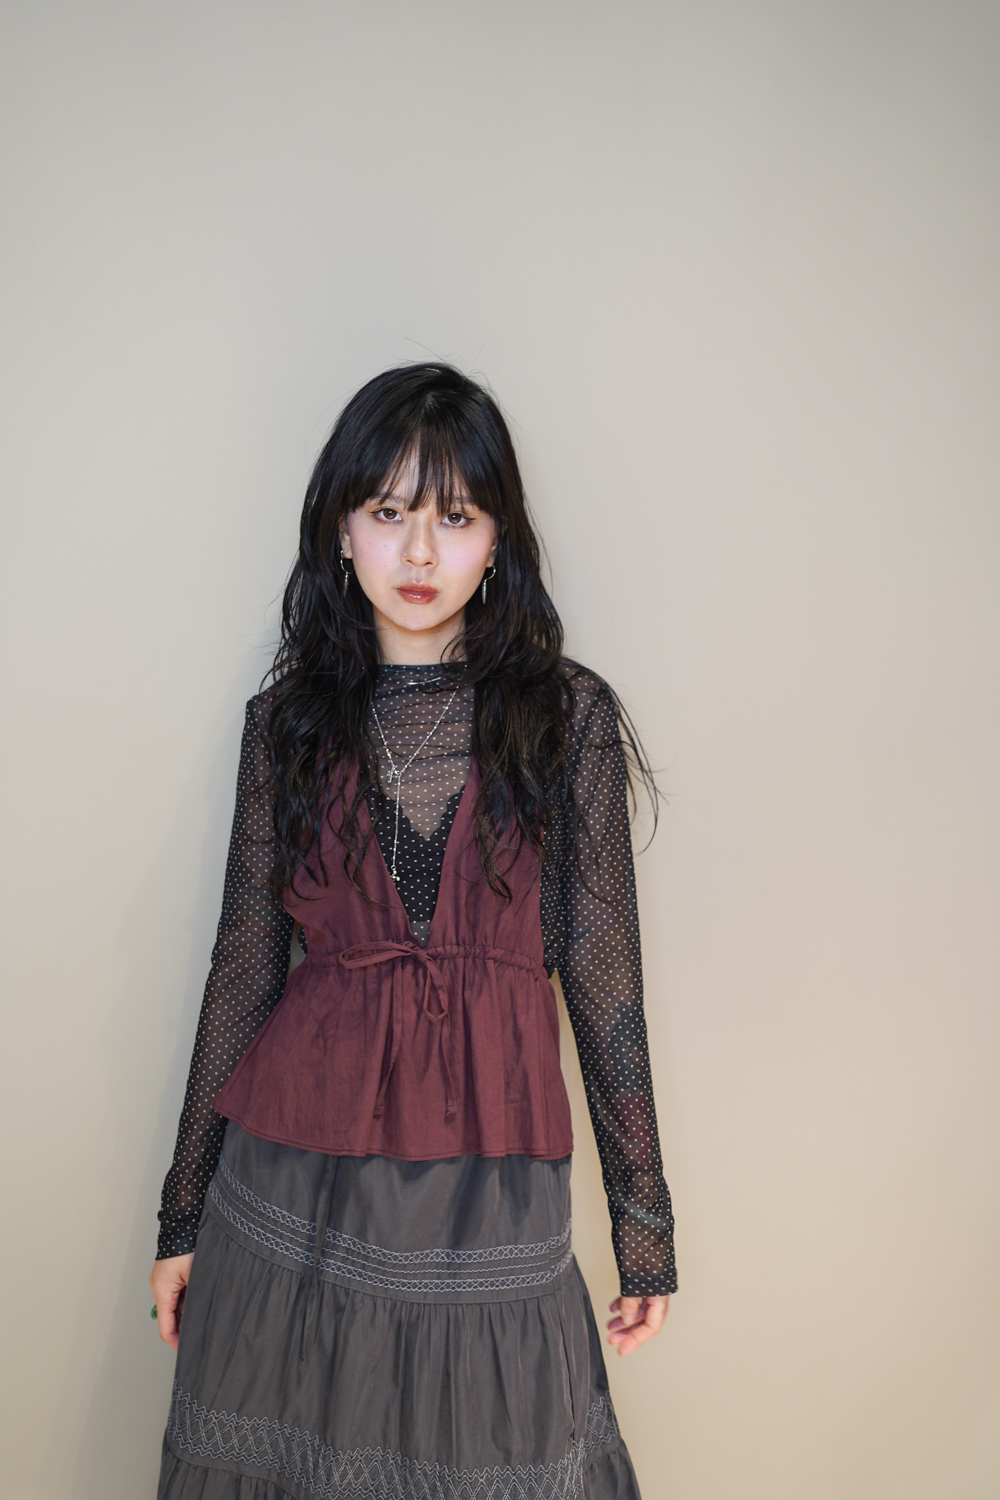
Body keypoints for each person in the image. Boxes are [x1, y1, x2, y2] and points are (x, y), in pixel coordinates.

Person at [150, 363, 677, 1500]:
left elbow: (602, 976)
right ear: (342, 532)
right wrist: (180, 1214)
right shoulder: (287, 726)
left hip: (492, 1168)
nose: (422, 553)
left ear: (499, 540)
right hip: (294, 1186)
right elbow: (245, 967)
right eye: (389, 513)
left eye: (457, 516)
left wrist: (645, 1226)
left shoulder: (566, 718)